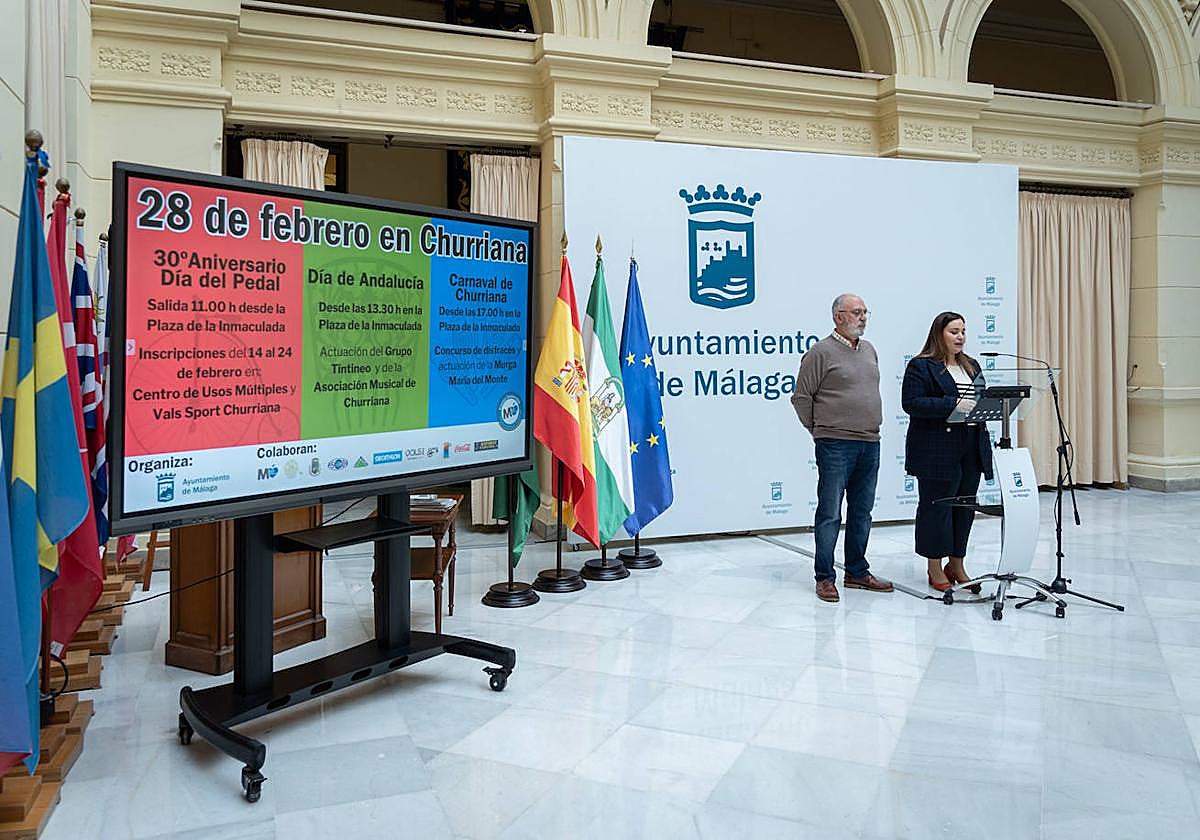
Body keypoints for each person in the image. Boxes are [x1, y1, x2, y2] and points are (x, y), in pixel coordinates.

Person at [792, 293, 894, 603]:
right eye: (857, 312)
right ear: (839, 316)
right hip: (835, 443)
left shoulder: (869, 350)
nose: (863, 317)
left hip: (869, 441)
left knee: (862, 512)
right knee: (830, 513)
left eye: (865, 312)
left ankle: (857, 572)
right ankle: (825, 577)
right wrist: (820, 429)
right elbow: (802, 397)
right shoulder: (820, 352)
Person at [901, 311, 994, 592]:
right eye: (954, 331)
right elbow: (912, 403)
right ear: (939, 334)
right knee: (937, 508)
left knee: (964, 508)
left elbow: (980, 399)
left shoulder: (972, 365)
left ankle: (957, 564)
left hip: (971, 445)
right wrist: (952, 404)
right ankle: (934, 566)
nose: (961, 337)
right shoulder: (922, 366)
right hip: (936, 449)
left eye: (963, 331)